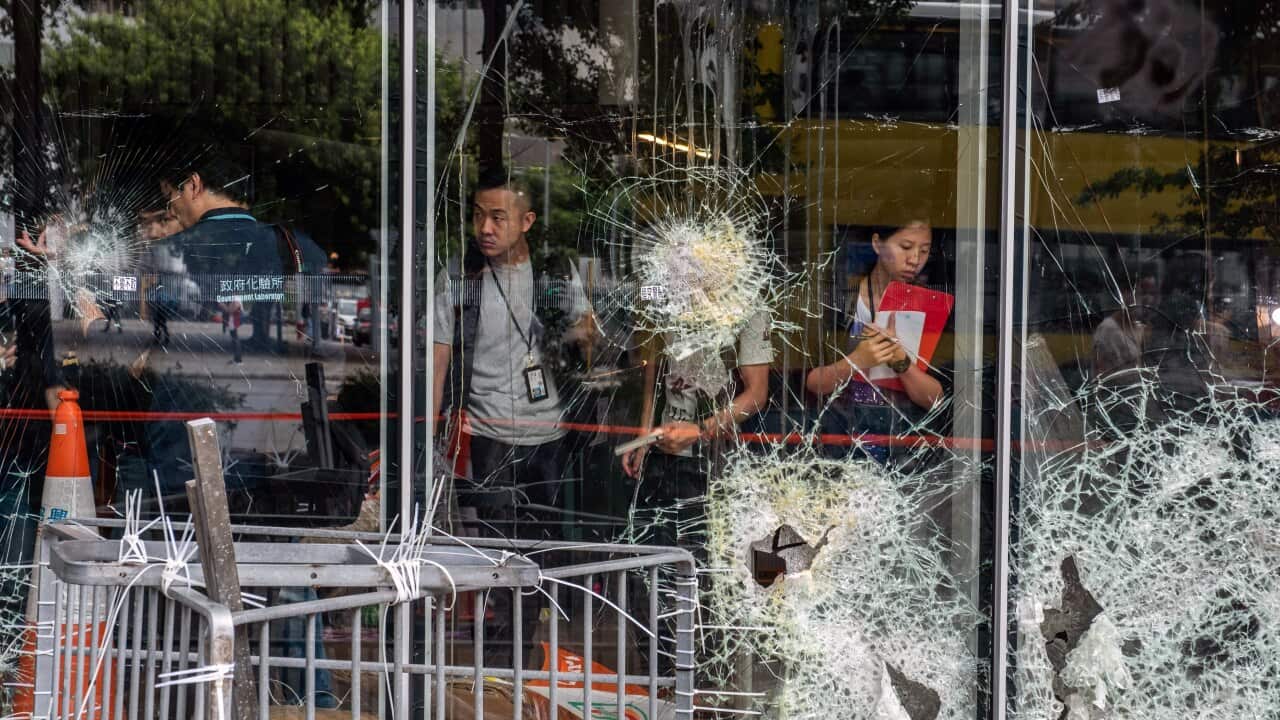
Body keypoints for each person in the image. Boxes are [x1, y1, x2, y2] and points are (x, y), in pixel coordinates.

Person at [431, 169, 596, 541]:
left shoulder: (553, 271)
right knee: (494, 545)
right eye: (477, 215)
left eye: (498, 217)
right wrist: (431, 433)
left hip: (548, 432)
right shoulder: (462, 276)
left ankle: (540, 601)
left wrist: (565, 332)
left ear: (526, 222)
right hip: (487, 434)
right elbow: (439, 357)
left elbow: (588, 333)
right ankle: (499, 600)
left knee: (547, 543)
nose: (485, 227)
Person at [621, 312, 773, 550]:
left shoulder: (746, 303)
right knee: (658, 556)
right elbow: (654, 361)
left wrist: (701, 429)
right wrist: (644, 431)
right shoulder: (674, 291)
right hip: (664, 446)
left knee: (708, 555)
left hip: (714, 455)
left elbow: (757, 394)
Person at [805, 219, 945, 462]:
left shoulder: (929, 306)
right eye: (905, 246)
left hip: (903, 447)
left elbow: (936, 399)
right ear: (877, 244)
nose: (915, 259)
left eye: (924, 251)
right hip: (840, 440)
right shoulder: (838, 301)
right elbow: (813, 383)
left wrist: (900, 362)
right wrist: (859, 360)